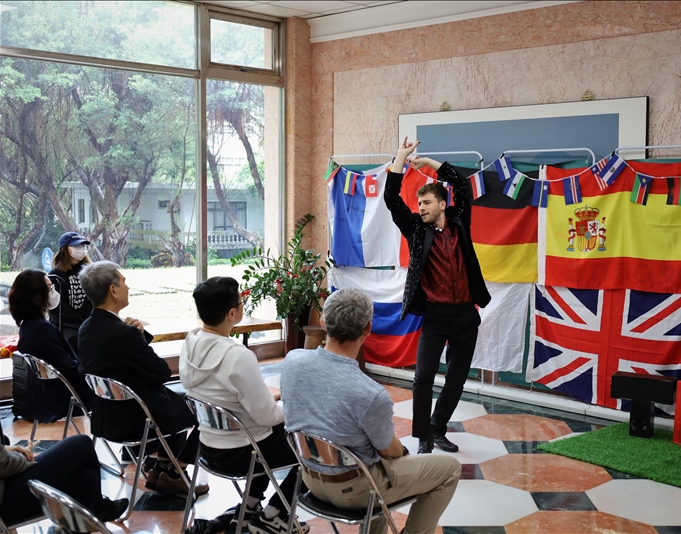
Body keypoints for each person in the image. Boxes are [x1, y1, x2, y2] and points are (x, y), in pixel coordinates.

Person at [282, 288, 461, 534]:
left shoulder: (292, 361)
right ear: (367, 328)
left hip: (309, 479)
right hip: (356, 491)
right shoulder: (370, 393)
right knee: (449, 468)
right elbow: (390, 451)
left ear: (323, 322)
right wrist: (402, 451)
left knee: (373, 460)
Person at [383, 138, 491, 454]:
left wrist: (429, 163)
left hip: (466, 316)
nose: (421, 208)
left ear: (442, 204)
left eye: (427, 203)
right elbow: (391, 199)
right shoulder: (416, 229)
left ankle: (437, 428)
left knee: (456, 381)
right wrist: (400, 159)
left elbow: (462, 185)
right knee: (423, 378)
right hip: (435, 316)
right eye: (420, 204)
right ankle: (423, 438)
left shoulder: (460, 221)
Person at [180, 277, 308, 534]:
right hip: (244, 454)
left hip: (208, 447)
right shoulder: (237, 356)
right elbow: (268, 417)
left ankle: (248, 507)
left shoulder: (190, 343)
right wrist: (297, 407)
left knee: (269, 432)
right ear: (231, 314)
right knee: (314, 447)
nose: (243, 306)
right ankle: (275, 514)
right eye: (241, 302)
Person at [77, 261, 207, 497]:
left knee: (177, 402)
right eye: (123, 281)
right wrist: (136, 336)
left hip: (106, 415)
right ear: (113, 290)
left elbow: (118, 362)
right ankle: (175, 471)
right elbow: (161, 372)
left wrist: (137, 335)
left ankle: (163, 469)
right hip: (136, 418)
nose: (127, 287)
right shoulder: (123, 333)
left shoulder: (86, 328)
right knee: (201, 407)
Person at [8, 270, 94, 422]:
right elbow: (68, 369)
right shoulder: (42, 330)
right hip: (65, 396)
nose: (54, 292)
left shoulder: (28, 326)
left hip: (50, 393)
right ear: (36, 297)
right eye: (49, 288)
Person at [0, 426, 127, 525]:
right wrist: (20, 456)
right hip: (4, 500)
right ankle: (100, 509)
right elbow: (3, 464)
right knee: (83, 443)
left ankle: (99, 510)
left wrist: (9, 449)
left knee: (87, 479)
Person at [48, 232, 93, 353]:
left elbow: (94, 299)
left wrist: (89, 322)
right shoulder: (55, 275)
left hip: (88, 321)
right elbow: (56, 308)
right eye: (77, 246)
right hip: (65, 325)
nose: (82, 249)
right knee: (76, 340)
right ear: (64, 249)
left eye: (83, 245)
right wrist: (80, 323)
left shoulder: (90, 271)